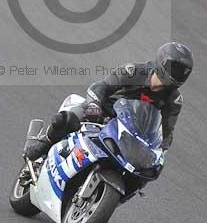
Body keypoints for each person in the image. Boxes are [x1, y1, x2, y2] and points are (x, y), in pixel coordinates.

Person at [23, 42, 193, 161]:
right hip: (101, 113)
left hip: (131, 132)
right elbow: (101, 87)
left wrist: (161, 149)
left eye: (183, 71)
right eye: (174, 68)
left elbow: (167, 130)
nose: (177, 74)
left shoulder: (174, 100)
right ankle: (45, 142)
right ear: (161, 62)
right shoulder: (134, 72)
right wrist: (94, 106)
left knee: (144, 167)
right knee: (66, 119)